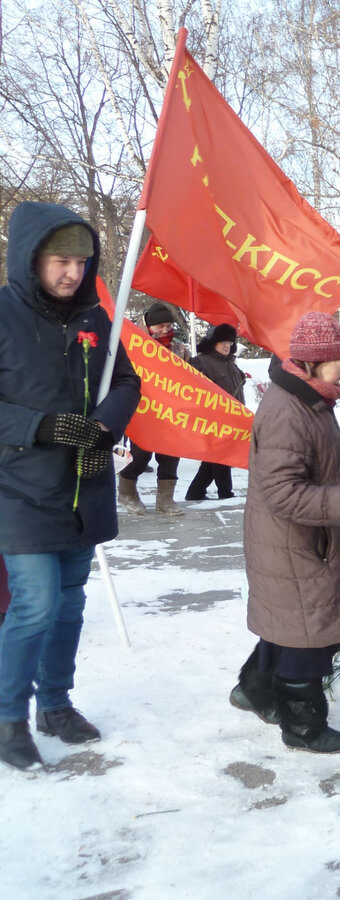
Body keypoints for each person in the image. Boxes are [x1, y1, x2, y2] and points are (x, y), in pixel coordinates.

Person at [0, 203, 140, 771]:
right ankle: (9, 717)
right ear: (32, 257)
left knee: (68, 604)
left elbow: (126, 382)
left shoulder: (94, 320)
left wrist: (103, 428)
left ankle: (55, 704)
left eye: (81, 262)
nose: (72, 274)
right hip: (18, 487)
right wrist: (39, 426)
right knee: (33, 603)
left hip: (84, 485)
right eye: (61, 260)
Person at [231, 312, 340, 754]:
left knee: (291, 623)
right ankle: (303, 728)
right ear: (314, 362)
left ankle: (255, 690)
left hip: (305, 542)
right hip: (295, 544)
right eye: (338, 362)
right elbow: (282, 491)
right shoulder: (288, 410)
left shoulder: (311, 397)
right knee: (307, 636)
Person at [117, 302, 185, 516]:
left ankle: (165, 500)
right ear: (149, 326)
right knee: (141, 454)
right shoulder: (132, 346)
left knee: (171, 455)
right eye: (161, 326)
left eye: (169, 325)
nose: (166, 330)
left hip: (172, 411)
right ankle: (127, 493)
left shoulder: (180, 349)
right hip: (142, 410)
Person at [185, 322, 246, 501]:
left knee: (216, 458)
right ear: (213, 343)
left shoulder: (231, 364)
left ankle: (196, 492)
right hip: (213, 420)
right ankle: (225, 493)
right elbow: (195, 392)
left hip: (233, 419)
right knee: (221, 456)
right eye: (222, 342)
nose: (227, 345)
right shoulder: (202, 362)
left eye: (229, 342)